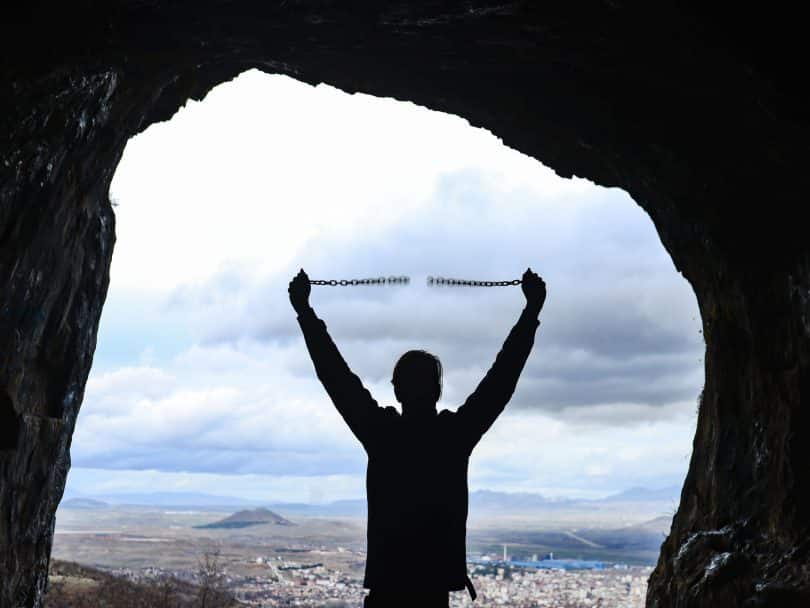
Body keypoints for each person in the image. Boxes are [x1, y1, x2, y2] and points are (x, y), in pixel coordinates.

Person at [289, 268, 546, 607]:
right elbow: (501, 380)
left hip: (388, 587)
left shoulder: (381, 433)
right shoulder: (454, 436)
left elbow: (335, 376)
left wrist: (305, 312)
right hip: (433, 592)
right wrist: (530, 313)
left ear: (396, 389)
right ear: (438, 389)